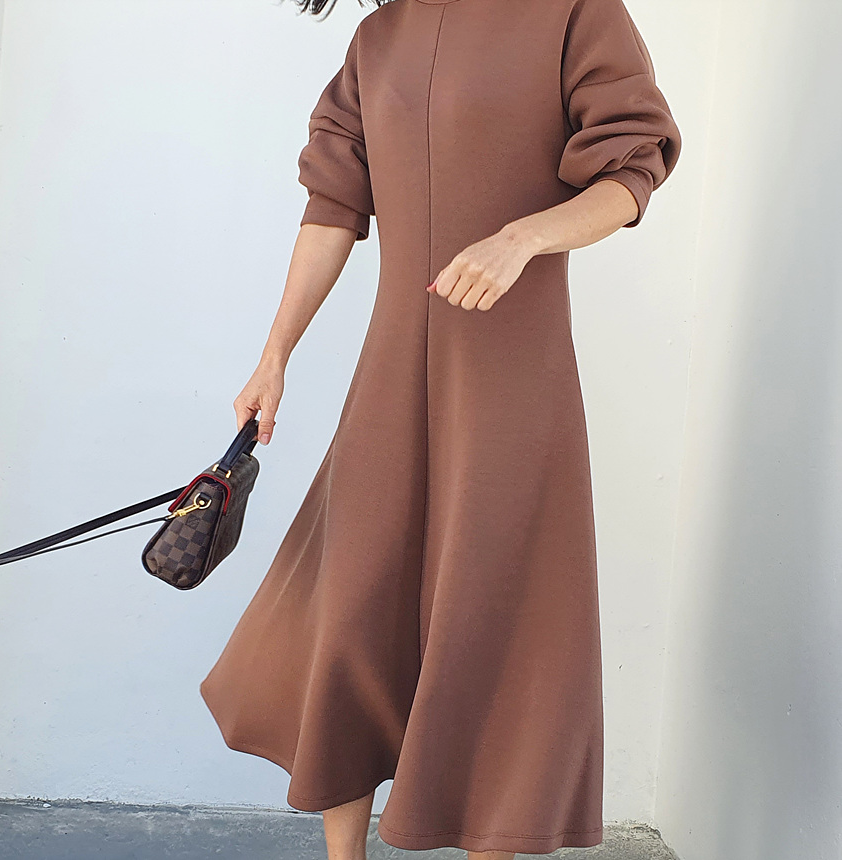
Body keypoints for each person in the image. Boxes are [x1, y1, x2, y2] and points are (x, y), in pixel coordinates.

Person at [199, 0, 682, 857]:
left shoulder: (575, 13)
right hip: (391, 374)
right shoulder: (377, 39)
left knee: (494, 617)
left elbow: (631, 172)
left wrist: (523, 238)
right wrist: (274, 355)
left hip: (513, 379)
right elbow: (332, 209)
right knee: (351, 615)